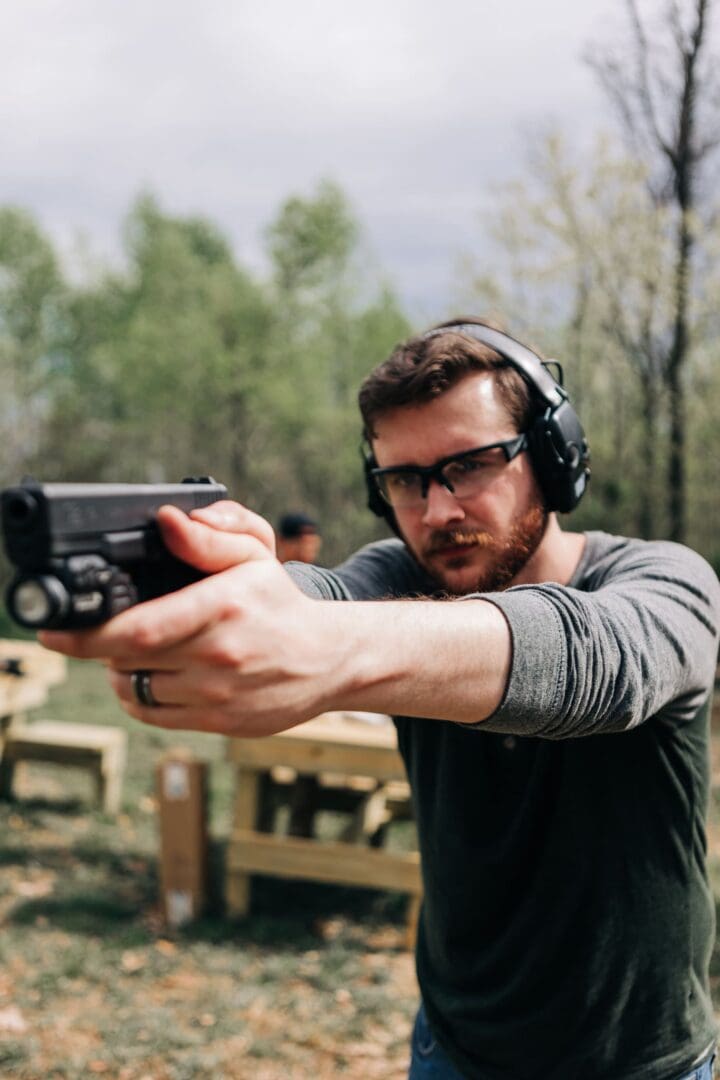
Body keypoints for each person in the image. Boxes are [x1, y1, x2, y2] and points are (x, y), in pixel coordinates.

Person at [40, 318, 720, 1080]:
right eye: (405, 479)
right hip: (451, 1047)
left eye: (471, 465)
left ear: (554, 458)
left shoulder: (666, 579)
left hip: (642, 1063)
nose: (436, 511)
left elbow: (600, 661)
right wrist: (215, 591)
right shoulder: (398, 574)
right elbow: (320, 595)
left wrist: (334, 645)